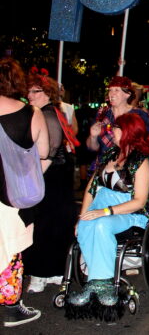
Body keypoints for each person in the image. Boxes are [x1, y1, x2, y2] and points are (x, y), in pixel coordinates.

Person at [67, 113, 149, 317]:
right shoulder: (110, 154)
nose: (111, 131)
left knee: (102, 225)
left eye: (116, 128)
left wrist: (105, 211)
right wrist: (82, 216)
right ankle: (95, 282)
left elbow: (140, 201)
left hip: (131, 213)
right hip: (103, 207)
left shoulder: (141, 162)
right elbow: (92, 187)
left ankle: (103, 283)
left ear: (127, 132)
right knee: (85, 226)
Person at [0, 58, 48, 327]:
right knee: (11, 250)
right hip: (12, 193)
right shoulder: (31, 113)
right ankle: (12, 308)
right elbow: (42, 152)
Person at [22, 70, 77, 294]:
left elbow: (52, 149)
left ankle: (41, 273)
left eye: (34, 91)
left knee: (44, 225)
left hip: (51, 176)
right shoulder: (52, 112)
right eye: (29, 90)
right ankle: (52, 272)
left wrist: (35, 178)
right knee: (54, 225)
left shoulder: (47, 113)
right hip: (56, 176)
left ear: (46, 93)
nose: (29, 94)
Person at [87, 76, 149, 160]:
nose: (111, 93)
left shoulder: (139, 115)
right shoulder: (102, 114)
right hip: (105, 167)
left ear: (127, 94)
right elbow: (92, 148)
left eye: (116, 90)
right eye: (110, 90)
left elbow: (148, 145)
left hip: (130, 168)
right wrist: (93, 137)